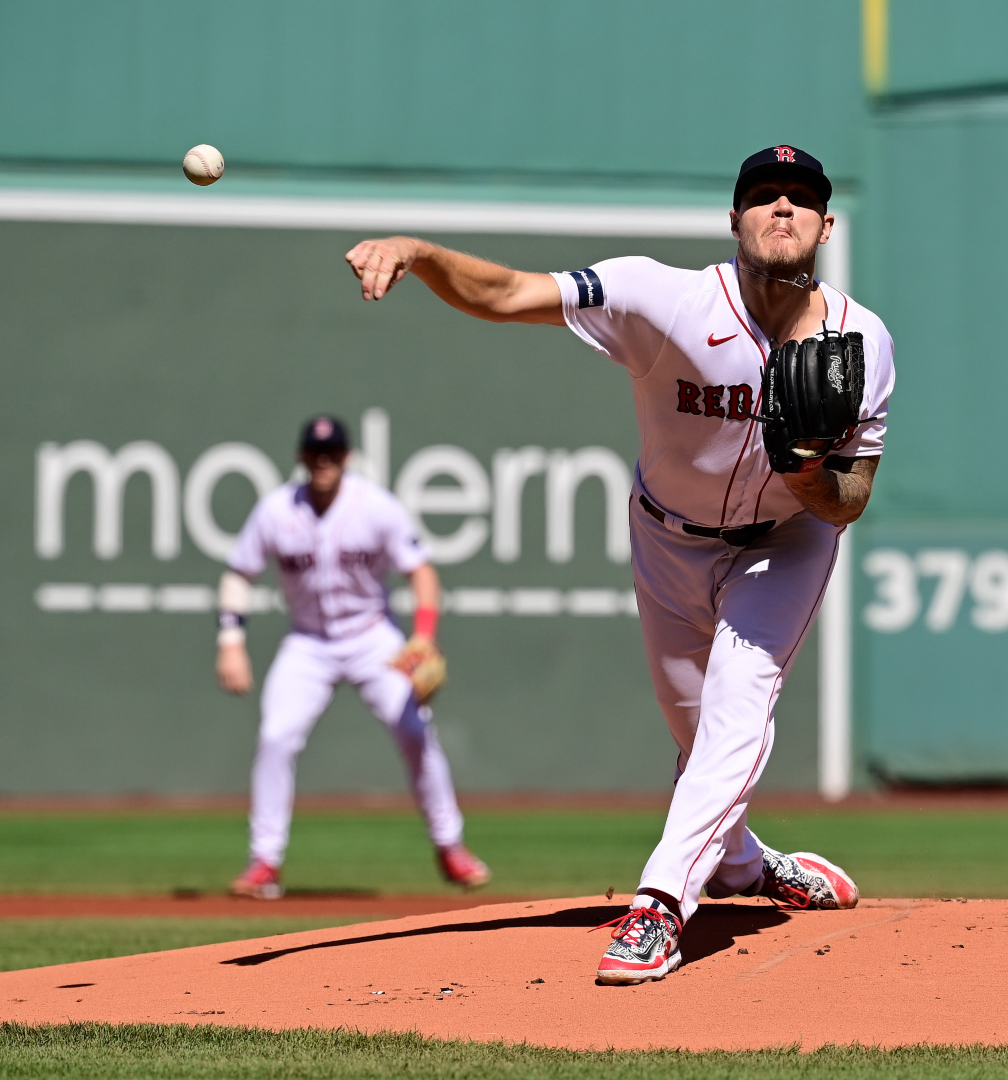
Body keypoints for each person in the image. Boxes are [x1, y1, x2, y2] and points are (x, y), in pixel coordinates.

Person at [343, 145, 894, 983]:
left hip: (785, 543)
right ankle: (745, 865)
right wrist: (421, 255)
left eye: (801, 198)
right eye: (762, 195)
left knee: (738, 704)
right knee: (693, 730)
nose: (781, 207)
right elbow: (508, 293)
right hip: (668, 539)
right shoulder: (660, 298)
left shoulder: (862, 340)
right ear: (735, 218)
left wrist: (811, 473)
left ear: (825, 224)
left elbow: (852, 501)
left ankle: (660, 904)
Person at [215, 414, 489, 899]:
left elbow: (421, 573)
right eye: (316, 453)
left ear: (348, 458)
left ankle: (451, 847)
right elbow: (239, 574)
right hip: (308, 642)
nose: (325, 462)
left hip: (372, 638)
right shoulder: (276, 510)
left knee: (414, 731)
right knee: (276, 736)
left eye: (334, 453)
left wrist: (422, 638)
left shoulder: (375, 507)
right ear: (301, 458)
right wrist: (231, 642)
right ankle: (264, 862)